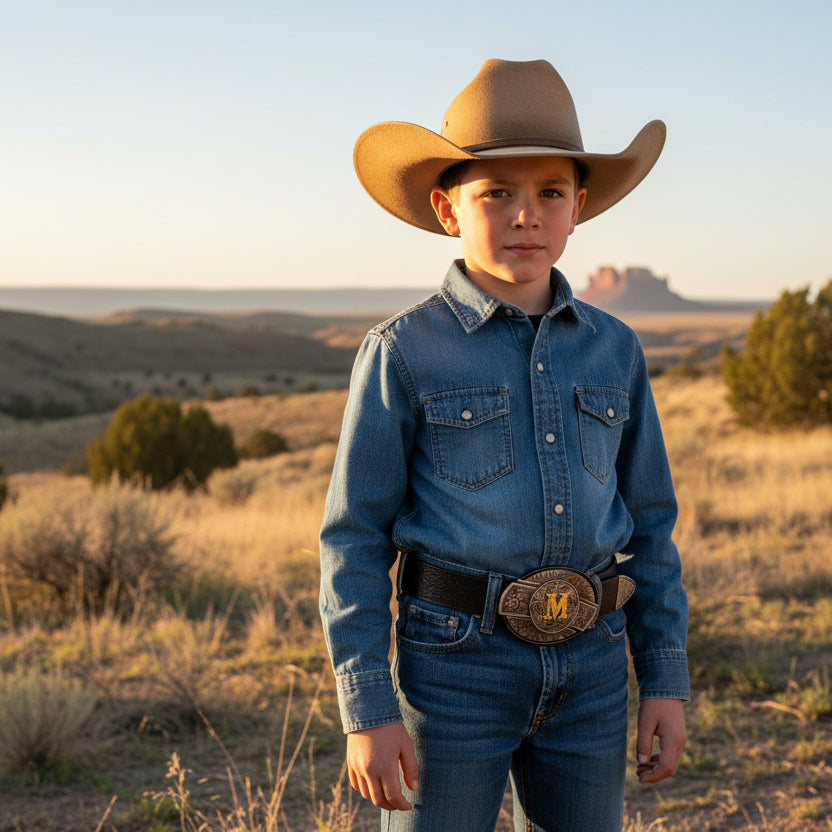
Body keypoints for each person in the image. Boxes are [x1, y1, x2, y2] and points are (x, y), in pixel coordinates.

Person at [319, 58, 688, 832]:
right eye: (497, 193)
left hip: (592, 668)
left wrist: (664, 679)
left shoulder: (614, 350)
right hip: (451, 673)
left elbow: (651, 526)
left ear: (578, 208)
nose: (527, 215)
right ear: (448, 209)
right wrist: (367, 708)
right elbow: (353, 538)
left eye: (549, 192)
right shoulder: (403, 352)